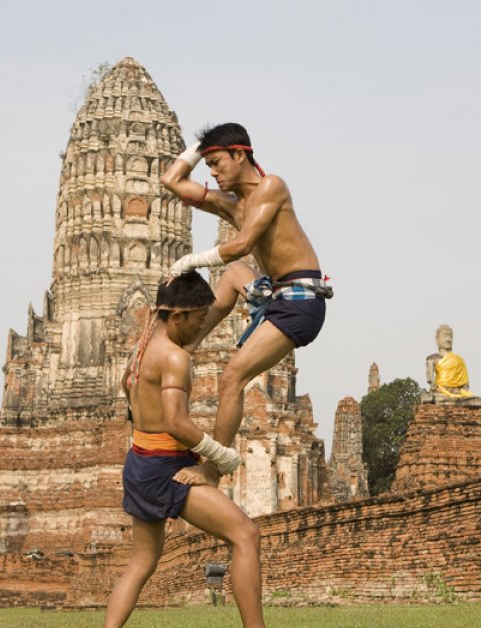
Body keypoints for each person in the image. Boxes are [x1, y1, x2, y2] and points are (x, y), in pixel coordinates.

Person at [104, 271, 265, 628]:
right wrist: (219, 455)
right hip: (165, 467)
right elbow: (177, 422)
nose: (200, 328)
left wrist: (234, 277)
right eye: (196, 320)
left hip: (140, 461)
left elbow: (126, 387)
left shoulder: (143, 347)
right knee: (246, 534)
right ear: (177, 316)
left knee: (142, 562)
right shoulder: (174, 357)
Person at [160, 122, 331, 449]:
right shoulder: (230, 203)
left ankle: (214, 467)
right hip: (274, 292)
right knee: (236, 274)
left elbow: (243, 242)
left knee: (230, 379)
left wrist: (189, 262)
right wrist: (202, 146)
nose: (212, 173)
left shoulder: (272, 187)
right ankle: (187, 347)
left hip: (301, 300)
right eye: (208, 166)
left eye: (217, 163)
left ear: (239, 155)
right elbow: (172, 182)